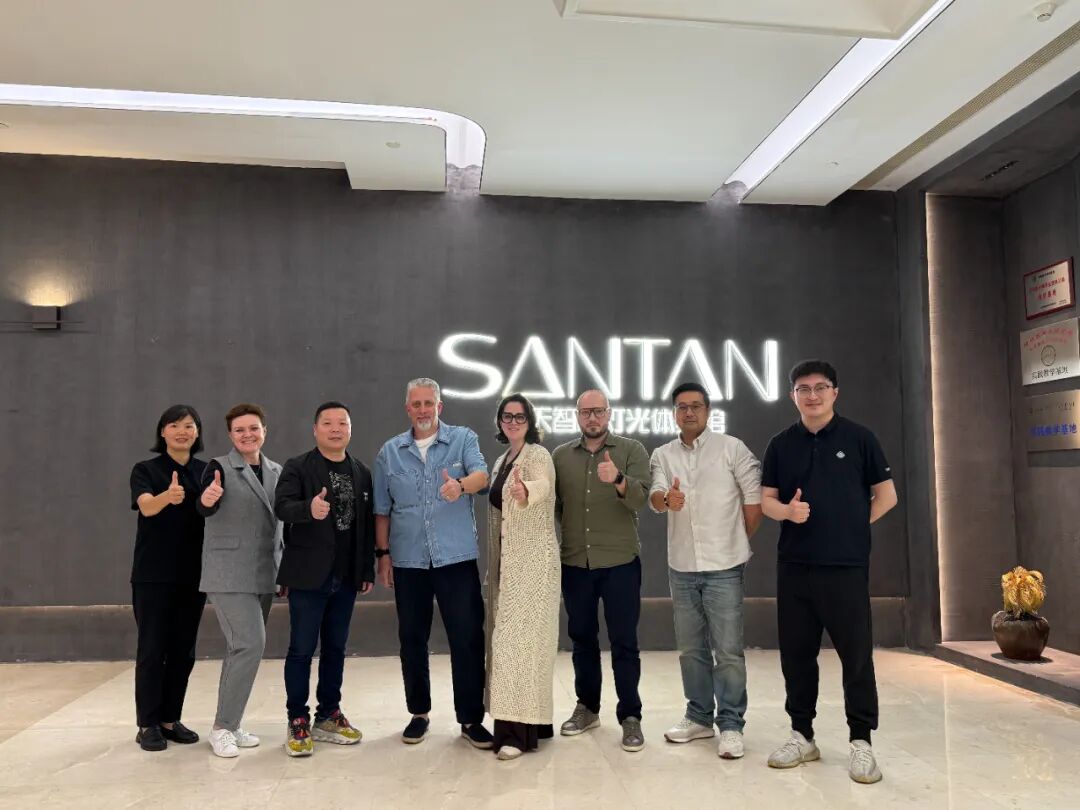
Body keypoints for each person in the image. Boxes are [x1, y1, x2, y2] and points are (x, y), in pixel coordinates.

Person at [760, 360, 898, 785]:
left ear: (835, 392)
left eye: (820, 387)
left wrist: (852, 526)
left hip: (846, 567)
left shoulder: (860, 439)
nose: (812, 395)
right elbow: (767, 501)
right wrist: (788, 512)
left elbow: (887, 496)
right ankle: (802, 735)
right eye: (803, 389)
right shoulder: (781, 444)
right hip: (795, 567)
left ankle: (861, 741)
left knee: (855, 656)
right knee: (797, 655)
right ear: (793, 396)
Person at [373, 377, 493, 749]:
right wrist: (383, 555)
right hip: (409, 561)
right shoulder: (389, 453)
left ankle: (470, 719)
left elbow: (482, 476)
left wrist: (461, 485)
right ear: (408, 409)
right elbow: (382, 510)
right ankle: (419, 714)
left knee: (467, 638)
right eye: (417, 404)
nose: (423, 410)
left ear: (439, 407)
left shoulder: (463, 439)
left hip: (455, 558)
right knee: (412, 638)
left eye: (429, 403)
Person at [649, 382, 762, 759]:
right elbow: (656, 495)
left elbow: (753, 503)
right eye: (682, 407)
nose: (689, 412)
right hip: (682, 567)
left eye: (696, 406)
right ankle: (698, 716)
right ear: (674, 413)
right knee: (690, 649)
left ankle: (731, 724)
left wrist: (733, 542)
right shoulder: (663, 454)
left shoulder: (732, 449)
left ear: (708, 411)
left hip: (724, 567)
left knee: (728, 651)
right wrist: (667, 499)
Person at [274, 401, 375, 757]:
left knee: (335, 648)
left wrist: (366, 570)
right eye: (328, 423)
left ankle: (328, 714)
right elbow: (281, 507)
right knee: (301, 650)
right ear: (315, 429)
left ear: (350, 429)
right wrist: (308, 509)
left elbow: (365, 525)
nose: (335, 429)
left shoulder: (361, 471)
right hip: (308, 576)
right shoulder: (298, 466)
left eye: (342, 423)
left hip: (345, 577)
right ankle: (297, 718)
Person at [552, 389, 650, 752]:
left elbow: (641, 499)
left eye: (598, 411)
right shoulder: (561, 456)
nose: (592, 418)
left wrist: (619, 480)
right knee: (582, 639)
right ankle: (588, 708)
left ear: (609, 413)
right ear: (577, 416)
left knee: (624, 641)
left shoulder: (631, 450)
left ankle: (630, 716)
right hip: (576, 562)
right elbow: (557, 507)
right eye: (585, 412)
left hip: (620, 562)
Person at [197, 403, 284, 758]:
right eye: (240, 430)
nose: (247, 435)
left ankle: (231, 724)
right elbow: (205, 506)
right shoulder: (218, 467)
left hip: (264, 572)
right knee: (250, 644)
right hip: (229, 572)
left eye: (253, 428)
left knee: (241, 649)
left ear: (264, 431)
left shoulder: (276, 471)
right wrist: (207, 500)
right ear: (231, 435)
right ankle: (222, 728)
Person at [484, 393, 560, 760]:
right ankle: (535, 723)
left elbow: (543, 486)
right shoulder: (501, 461)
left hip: (533, 565)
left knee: (518, 646)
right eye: (507, 416)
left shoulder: (537, 455)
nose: (513, 421)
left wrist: (525, 489)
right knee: (518, 647)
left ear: (530, 421)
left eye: (520, 416)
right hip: (508, 563)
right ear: (500, 422)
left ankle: (515, 735)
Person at [129, 404, 207, 752]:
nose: (181, 431)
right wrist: (168, 496)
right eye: (174, 425)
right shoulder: (145, 470)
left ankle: (169, 719)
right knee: (152, 649)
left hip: (194, 575)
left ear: (197, 432)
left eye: (188, 425)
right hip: (153, 575)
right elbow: (146, 506)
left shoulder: (206, 471)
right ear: (162, 432)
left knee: (183, 651)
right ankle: (147, 723)